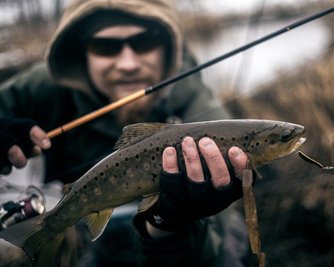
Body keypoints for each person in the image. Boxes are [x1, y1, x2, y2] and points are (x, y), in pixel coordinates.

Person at [0, 0, 251, 266]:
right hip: (95, 237)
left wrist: (170, 225)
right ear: (82, 53)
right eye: (105, 46)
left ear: (167, 49)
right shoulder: (47, 84)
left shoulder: (198, 105)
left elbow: (217, 237)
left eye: (144, 42)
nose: (128, 63)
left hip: (184, 242)